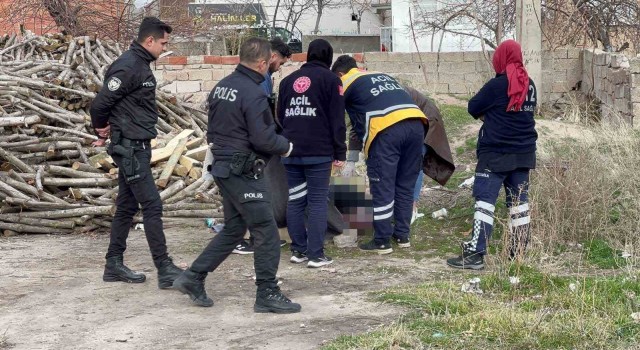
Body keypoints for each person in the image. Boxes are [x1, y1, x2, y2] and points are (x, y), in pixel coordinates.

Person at [172, 37, 301, 313]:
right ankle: (267, 292)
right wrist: (287, 147)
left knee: (233, 229)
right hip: (243, 171)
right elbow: (263, 138)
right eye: (271, 64)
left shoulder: (222, 87)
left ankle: (193, 277)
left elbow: (216, 129)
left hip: (224, 167)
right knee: (266, 231)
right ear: (263, 63)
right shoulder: (253, 92)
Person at [90, 17, 183, 288]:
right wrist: (101, 129)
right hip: (129, 147)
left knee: (127, 207)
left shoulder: (140, 64)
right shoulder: (129, 66)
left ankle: (113, 265)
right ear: (150, 40)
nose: (165, 48)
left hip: (137, 146)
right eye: (163, 43)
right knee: (152, 205)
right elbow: (99, 104)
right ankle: (164, 268)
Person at [446, 39, 537, 270]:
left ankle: (476, 254)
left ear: (501, 58)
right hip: (524, 153)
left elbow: (472, 107)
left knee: (484, 203)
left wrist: (489, 117)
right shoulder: (531, 84)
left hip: (495, 154)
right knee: (519, 204)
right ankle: (518, 254)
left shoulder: (497, 85)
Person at [331, 55, 428, 254]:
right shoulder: (380, 75)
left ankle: (382, 240)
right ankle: (402, 235)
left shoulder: (347, 81)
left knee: (382, 186)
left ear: (340, 74)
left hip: (387, 130)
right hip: (417, 125)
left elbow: (336, 115)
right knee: (404, 185)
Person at [277, 39, 346, 268]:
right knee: (317, 201)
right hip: (319, 152)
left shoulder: (287, 81)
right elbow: (337, 120)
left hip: (291, 150)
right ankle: (316, 254)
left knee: (295, 200)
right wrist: (340, 152)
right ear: (328, 57)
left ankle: (298, 250)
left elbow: (280, 116)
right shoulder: (331, 80)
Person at [232, 37, 292, 255]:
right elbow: (262, 113)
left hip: (237, 146)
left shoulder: (238, 80)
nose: (278, 68)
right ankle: (250, 238)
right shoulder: (261, 79)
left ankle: (243, 237)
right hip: (250, 146)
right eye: (281, 63)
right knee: (253, 191)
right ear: (271, 57)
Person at [402, 86, 455, 225]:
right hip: (410, 121)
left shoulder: (398, 94)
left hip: (425, 120)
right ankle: (401, 205)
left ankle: (412, 207)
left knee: (415, 163)